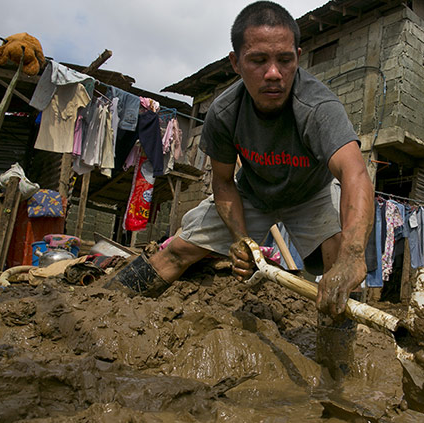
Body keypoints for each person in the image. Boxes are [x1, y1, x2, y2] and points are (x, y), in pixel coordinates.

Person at [109, 1, 373, 374]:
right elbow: (221, 180)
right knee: (177, 251)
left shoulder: (318, 107)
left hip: (310, 196)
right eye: (257, 60)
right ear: (235, 62)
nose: (273, 74)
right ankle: (101, 305)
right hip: (251, 193)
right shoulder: (223, 112)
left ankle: (336, 371)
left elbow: (355, 174)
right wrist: (241, 239)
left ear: (298, 56)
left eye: (284, 60)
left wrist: (353, 254)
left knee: (337, 273)